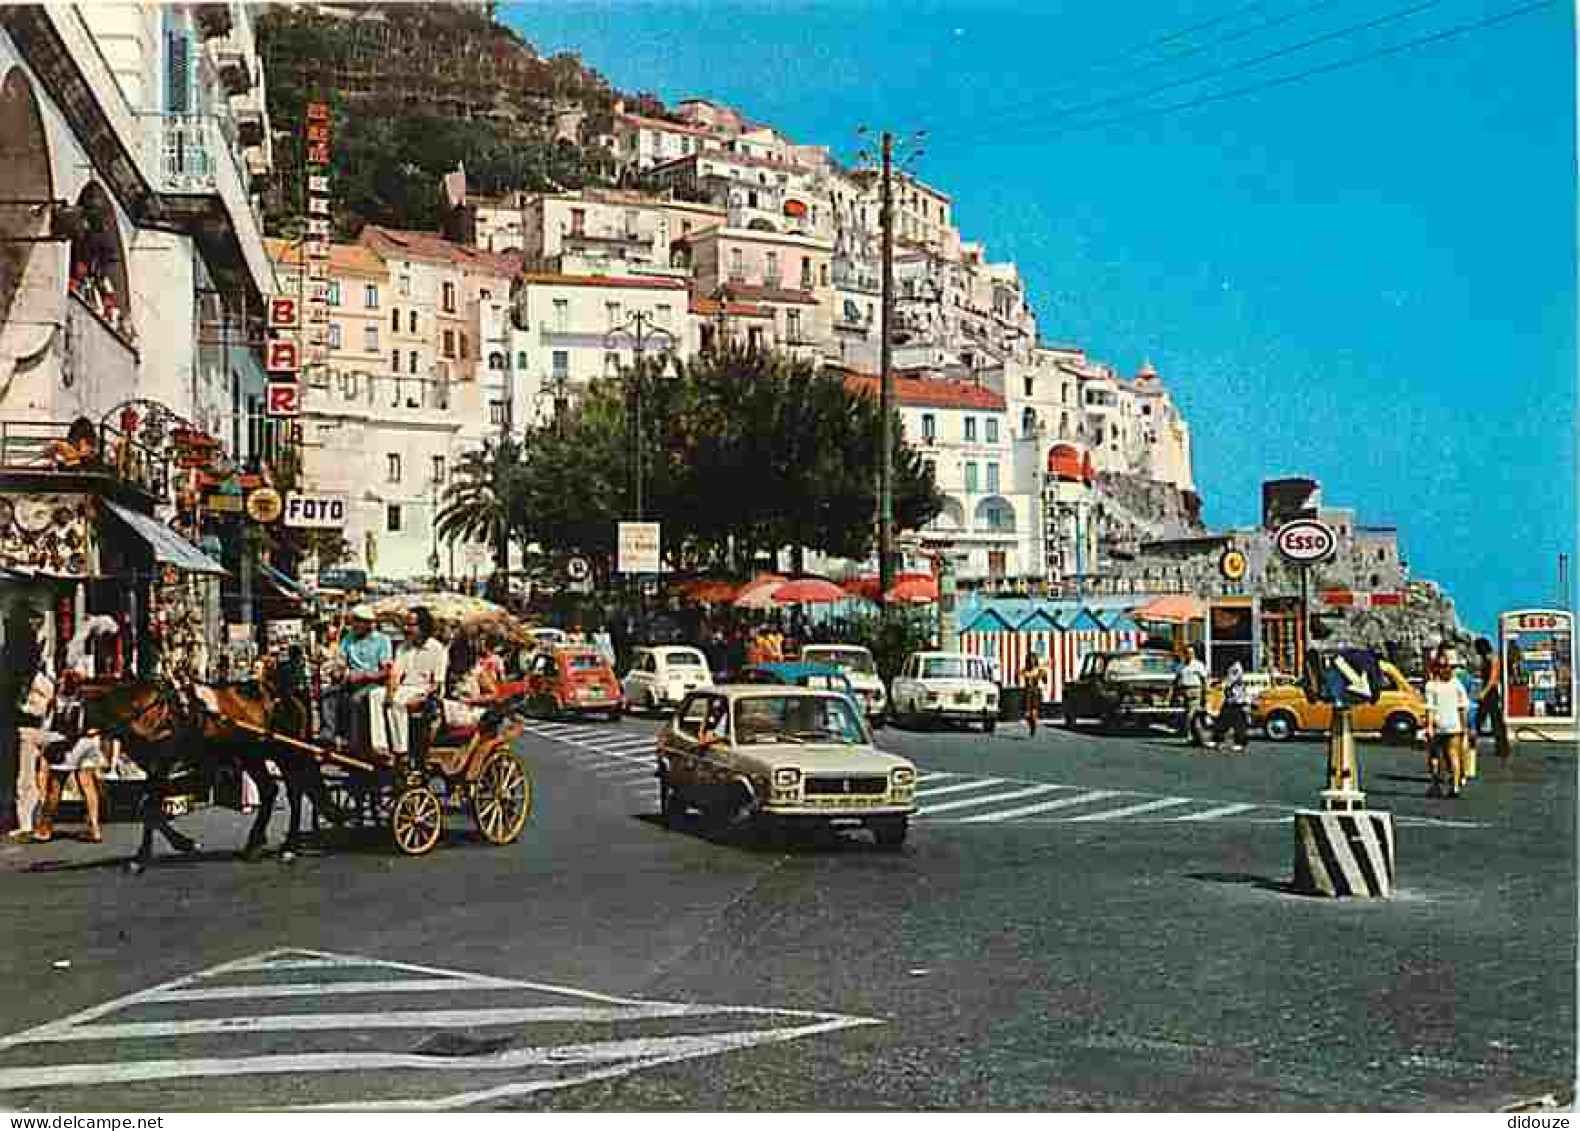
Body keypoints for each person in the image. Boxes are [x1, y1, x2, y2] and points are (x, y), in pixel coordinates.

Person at [32, 671, 104, 843]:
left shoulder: (57, 702)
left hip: (68, 745)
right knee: (87, 784)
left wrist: (48, 744)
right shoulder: (86, 700)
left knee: (55, 785)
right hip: (89, 742)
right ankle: (94, 828)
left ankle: (45, 828)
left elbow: (48, 727)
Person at [369, 607, 447, 758]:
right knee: (375, 695)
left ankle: (401, 750)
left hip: (424, 691)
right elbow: (396, 674)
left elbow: (437, 683)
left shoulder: (437, 649)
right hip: (405, 688)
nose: (407, 629)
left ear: (423, 627)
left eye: (411, 625)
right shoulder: (403, 647)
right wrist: (390, 692)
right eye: (406, 625)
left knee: (398, 701)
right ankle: (380, 744)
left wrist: (422, 698)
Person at [0, 606, 46, 837]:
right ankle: (33, 818)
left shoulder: (12, 656)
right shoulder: (34, 657)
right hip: (29, 721)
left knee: (22, 774)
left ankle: (22, 819)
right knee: (31, 774)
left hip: (18, 721)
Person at [323, 605, 392, 750]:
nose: (353, 625)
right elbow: (341, 660)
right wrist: (337, 669)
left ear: (367, 623)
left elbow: (386, 671)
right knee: (329, 693)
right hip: (351, 679)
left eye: (357, 621)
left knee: (357, 699)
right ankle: (329, 736)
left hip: (373, 682)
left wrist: (365, 675)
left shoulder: (382, 640)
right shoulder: (348, 638)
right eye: (353, 621)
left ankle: (356, 743)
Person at [1423, 654, 1469, 797]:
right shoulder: (1456, 684)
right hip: (1454, 724)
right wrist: (1464, 726)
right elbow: (1462, 707)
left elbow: (1430, 708)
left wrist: (1429, 726)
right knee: (1453, 755)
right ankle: (1455, 786)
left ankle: (1435, 785)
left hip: (1439, 724)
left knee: (1434, 756)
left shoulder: (1431, 686)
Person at [1473, 637, 1511, 760]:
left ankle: (1502, 748)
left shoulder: (1493, 658)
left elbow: (1493, 678)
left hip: (1491, 692)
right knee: (1481, 719)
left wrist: (1484, 692)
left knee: (1494, 720)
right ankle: (1501, 748)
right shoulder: (1486, 658)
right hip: (1488, 690)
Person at [1208, 661, 1251, 752]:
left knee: (1238, 723)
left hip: (1237, 700)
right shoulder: (1232, 667)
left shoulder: (1236, 667)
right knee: (1223, 720)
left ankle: (1240, 743)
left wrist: (1219, 683)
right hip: (1230, 700)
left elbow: (1230, 681)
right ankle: (1218, 740)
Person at [1173, 645, 1209, 743]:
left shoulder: (1198, 665)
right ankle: (1195, 735)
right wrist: (1175, 693)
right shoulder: (1181, 665)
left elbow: (1204, 679)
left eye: (1191, 653)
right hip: (1183, 691)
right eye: (1187, 653)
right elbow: (1177, 679)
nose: (1190, 655)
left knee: (1191, 715)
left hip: (1195, 690)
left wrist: (1206, 693)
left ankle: (1190, 735)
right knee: (1185, 714)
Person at [1021, 652, 1048, 737]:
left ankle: (1034, 727)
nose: (1032, 662)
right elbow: (1019, 675)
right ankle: (1032, 725)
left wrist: (1043, 675)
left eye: (1033, 659)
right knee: (1027, 714)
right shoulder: (1025, 670)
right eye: (1030, 660)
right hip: (1027, 692)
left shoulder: (1039, 670)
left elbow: (1045, 680)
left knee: (1034, 712)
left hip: (1035, 692)